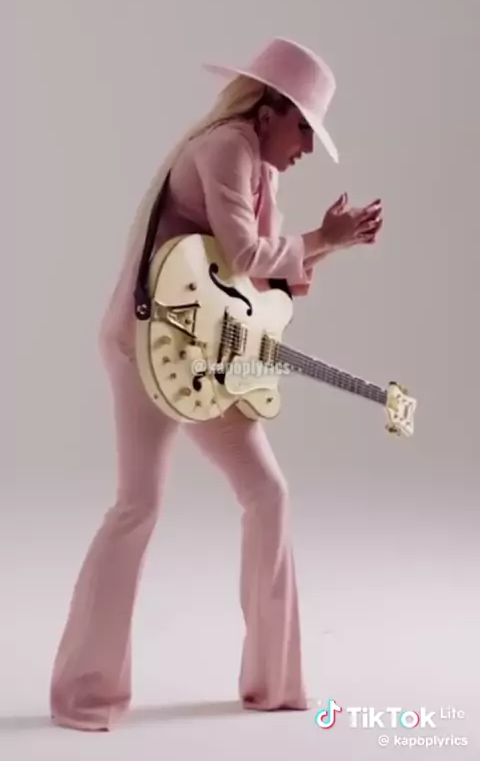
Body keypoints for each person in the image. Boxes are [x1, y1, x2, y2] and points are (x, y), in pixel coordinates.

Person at [49, 37, 383, 731]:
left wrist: (327, 246)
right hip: (146, 343)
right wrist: (324, 239)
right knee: (138, 506)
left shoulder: (264, 171)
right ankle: (84, 693)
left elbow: (257, 284)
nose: (307, 147)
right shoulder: (226, 147)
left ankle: (274, 683)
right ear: (268, 111)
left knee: (267, 493)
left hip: (202, 351)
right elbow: (247, 254)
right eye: (304, 128)